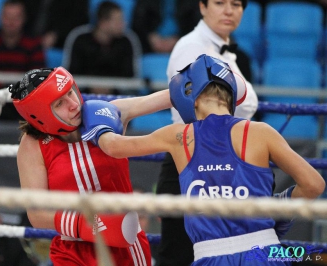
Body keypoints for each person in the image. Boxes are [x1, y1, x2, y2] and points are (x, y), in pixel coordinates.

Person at [80, 54, 326, 265]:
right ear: (230, 96)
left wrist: (97, 116)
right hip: (266, 251)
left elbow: (113, 146)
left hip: (211, 255)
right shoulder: (261, 132)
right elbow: (314, 184)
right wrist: (279, 207)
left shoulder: (179, 135)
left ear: (191, 97)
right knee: (311, 257)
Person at [8, 66, 173, 265]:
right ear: (40, 115)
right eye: (60, 102)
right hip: (72, 251)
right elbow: (37, 214)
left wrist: (199, 81)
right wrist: (90, 223)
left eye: (70, 92)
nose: (73, 104)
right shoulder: (32, 146)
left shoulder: (106, 113)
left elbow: (166, 97)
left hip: (124, 246)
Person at [154, 0, 258, 264]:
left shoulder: (224, 52)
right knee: (180, 256)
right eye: (219, 2)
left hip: (216, 164)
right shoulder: (192, 48)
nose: (228, 10)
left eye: (236, 4)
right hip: (192, 161)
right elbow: (199, 111)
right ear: (202, 7)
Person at [0, 0, 46, 120]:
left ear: (24, 19)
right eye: (7, 17)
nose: (11, 22)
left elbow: (38, 79)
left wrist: (7, 83)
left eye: (16, 18)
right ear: (0, 17)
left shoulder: (34, 44)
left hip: (25, 99)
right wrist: (7, 86)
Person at [63, 1, 141, 95]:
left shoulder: (127, 41)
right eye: (118, 20)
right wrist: (90, 86)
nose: (123, 24)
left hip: (118, 98)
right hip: (82, 97)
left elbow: (131, 77)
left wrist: (111, 87)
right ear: (103, 22)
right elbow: (69, 75)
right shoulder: (79, 39)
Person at [131, 0, 201, 54]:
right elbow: (138, 23)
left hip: (184, 47)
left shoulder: (193, 2)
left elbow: (198, 24)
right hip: (149, 47)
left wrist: (179, 39)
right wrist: (150, 37)